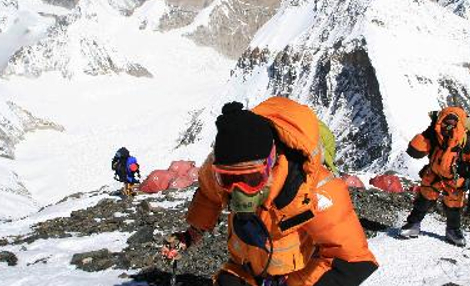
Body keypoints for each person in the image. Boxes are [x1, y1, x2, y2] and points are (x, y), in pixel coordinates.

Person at [161, 97, 377, 286]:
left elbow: (354, 259)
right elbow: (209, 194)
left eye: (252, 178)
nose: (239, 190)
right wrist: (191, 235)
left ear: (271, 162)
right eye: (228, 179)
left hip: (297, 276)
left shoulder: (315, 190)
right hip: (246, 270)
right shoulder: (218, 168)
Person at [398, 106, 470, 247]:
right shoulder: (434, 135)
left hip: (454, 179)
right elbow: (415, 151)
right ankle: (414, 224)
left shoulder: (467, 141)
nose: (449, 126)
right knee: (424, 200)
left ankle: (452, 230)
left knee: (453, 206)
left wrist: (469, 166)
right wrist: (427, 134)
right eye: (446, 122)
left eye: (452, 123)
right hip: (434, 175)